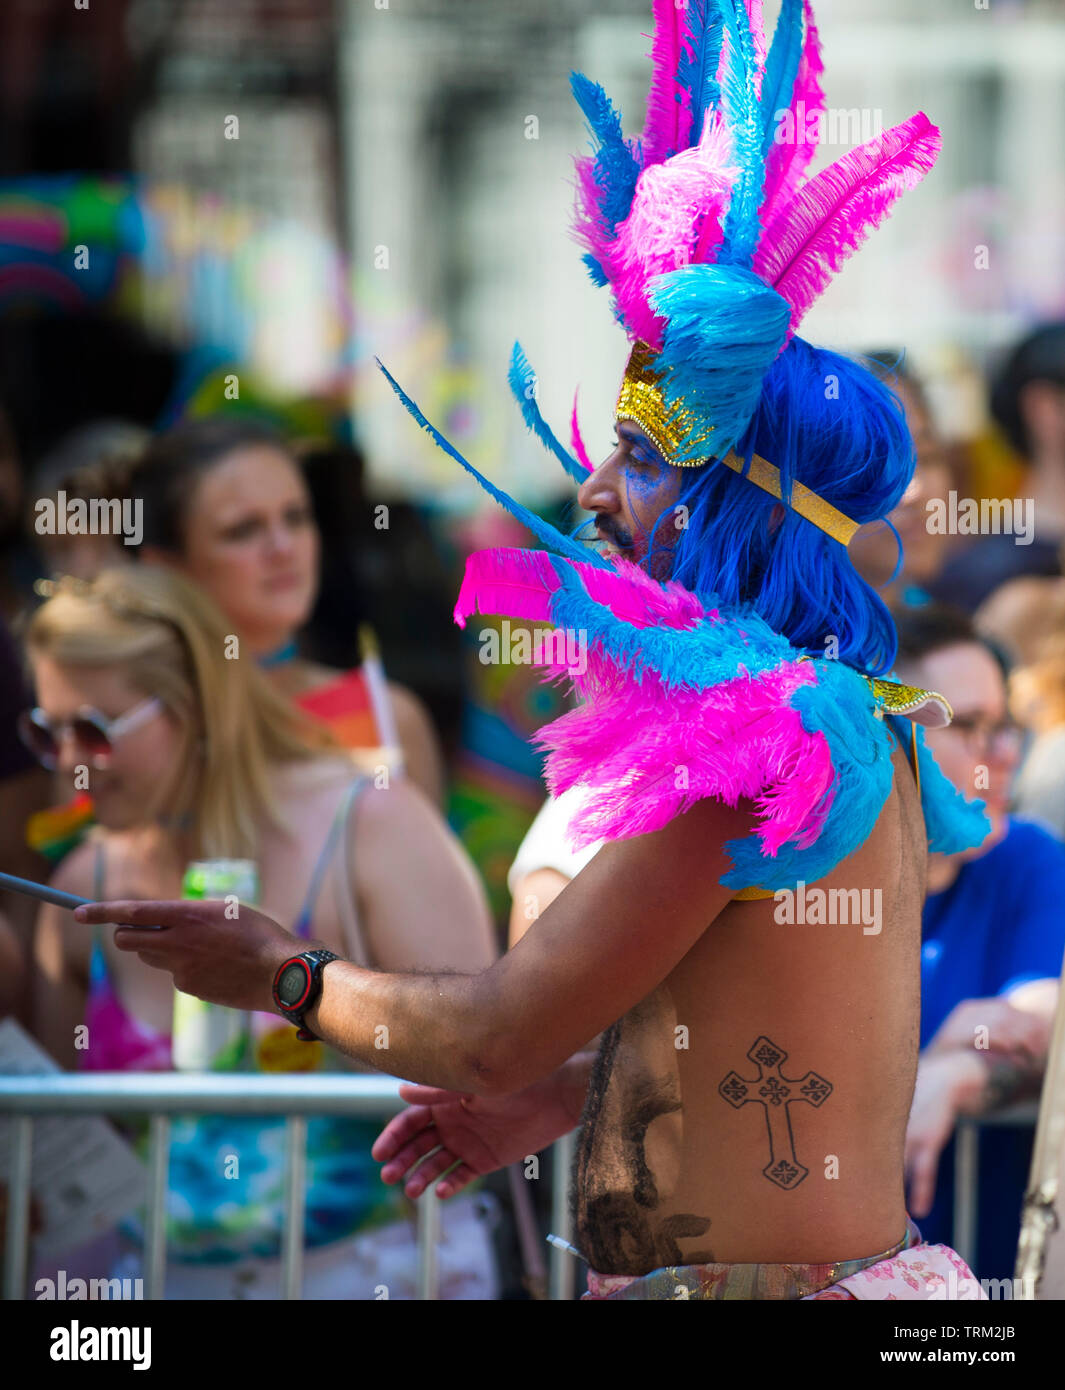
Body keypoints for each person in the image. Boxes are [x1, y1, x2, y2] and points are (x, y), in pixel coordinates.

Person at [76, 0, 991, 1300]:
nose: (594, 493)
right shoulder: (846, 709)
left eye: (638, 457)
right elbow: (752, 1017)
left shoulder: (763, 737)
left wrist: (279, 969)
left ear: (735, 495)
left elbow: (493, 1031)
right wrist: (565, 1098)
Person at [23, 566, 496, 1298]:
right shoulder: (83, 884)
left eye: (94, 730)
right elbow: (66, 1149)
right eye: (45, 733)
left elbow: (483, 1055)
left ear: (199, 707)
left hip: (383, 1273)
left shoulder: (367, 825)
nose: (70, 766)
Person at [123, 418, 446, 805]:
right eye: (243, 529)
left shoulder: (388, 717)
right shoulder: (131, 730)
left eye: (295, 518)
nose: (283, 548)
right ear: (164, 566)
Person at [892, 604, 1065, 1281]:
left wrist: (958, 1071)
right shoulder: (804, 884)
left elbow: (1039, 1017)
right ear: (885, 735)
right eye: (966, 727)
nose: (1000, 755)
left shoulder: (1025, 858)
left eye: (1003, 727)